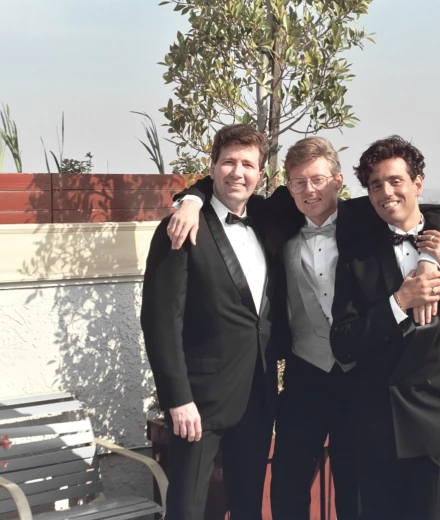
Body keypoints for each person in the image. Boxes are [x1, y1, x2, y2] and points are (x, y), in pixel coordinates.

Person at [167, 136, 440, 520]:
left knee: (354, 491)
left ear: (338, 180)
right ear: (288, 186)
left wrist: (426, 259)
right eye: (299, 182)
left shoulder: (365, 217)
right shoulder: (277, 216)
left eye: (319, 180)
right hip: (304, 375)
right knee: (288, 486)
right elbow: (230, 179)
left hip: (359, 380)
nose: (310, 190)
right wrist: (190, 199)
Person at [330, 135, 440, 520]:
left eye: (396, 180)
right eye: (376, 184)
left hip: (438, 424)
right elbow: (343, 343)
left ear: (418, 184)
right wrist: (400, 302)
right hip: (375, 423)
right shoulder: (357, 257)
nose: (386, 192)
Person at [141, 124, 289, 520]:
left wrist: (192, 193)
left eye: (247, 164)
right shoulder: (180, 227)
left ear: (260, 174)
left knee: (248, 507)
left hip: (257, 397)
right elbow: (159, 321)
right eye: (228, 162)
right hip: (198, 404)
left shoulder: (265, 219)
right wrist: (177, 399)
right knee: (188, 509)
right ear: (212, 167)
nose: (237, 172)